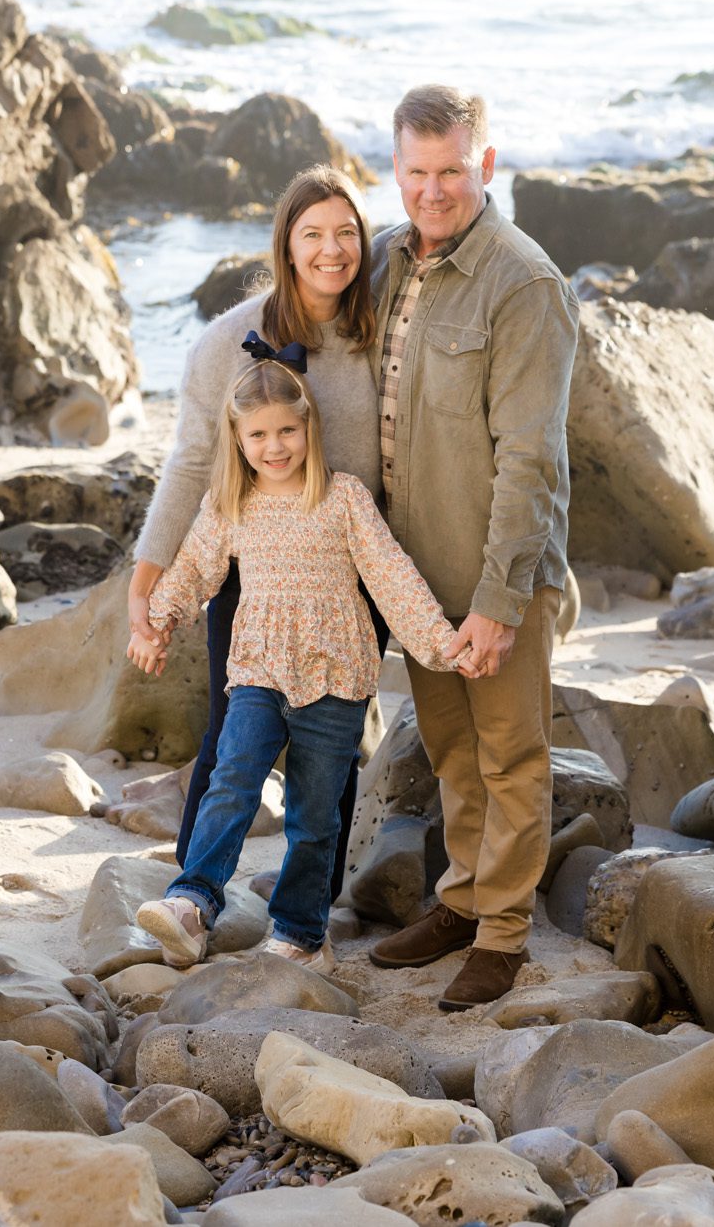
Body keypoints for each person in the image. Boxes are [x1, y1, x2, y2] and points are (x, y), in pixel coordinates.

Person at [127, 353, 466, 968]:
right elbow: (195, 568)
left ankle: (302, 934)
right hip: (257, 665)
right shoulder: (230, 502)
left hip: (336, 673)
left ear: (310, 427)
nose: (274, 446)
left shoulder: (344, 498)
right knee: (233, 777)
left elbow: (390, 576)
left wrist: (440, 641)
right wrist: (156, 619)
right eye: (257, 434)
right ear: (238, 438)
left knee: (313, 814)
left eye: (286, 430)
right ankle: (193, 902)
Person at [363, 84, 579, 1009]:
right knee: (450, 751)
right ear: (397, 169)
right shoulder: (384, 262)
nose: (433, 189)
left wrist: (499, 597)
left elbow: (530, 458)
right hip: (417, 573)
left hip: (499, 575)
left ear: (484, 165)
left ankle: (503, 933)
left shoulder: (524, 284)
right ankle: (460, 898)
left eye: (451, 170)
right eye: (416, 172)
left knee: (510, 756)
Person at [127, 166, 384, 903]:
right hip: (249, 565)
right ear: (286, 244)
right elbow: (188, 466)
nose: (331, 250)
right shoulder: (222, 345)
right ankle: (189, 895)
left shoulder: (382, 335)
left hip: (350, 563)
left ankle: (313, 903)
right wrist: (145, 584)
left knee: (336, 739)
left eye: (346, 233)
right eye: (312, 234)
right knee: (231, 729)